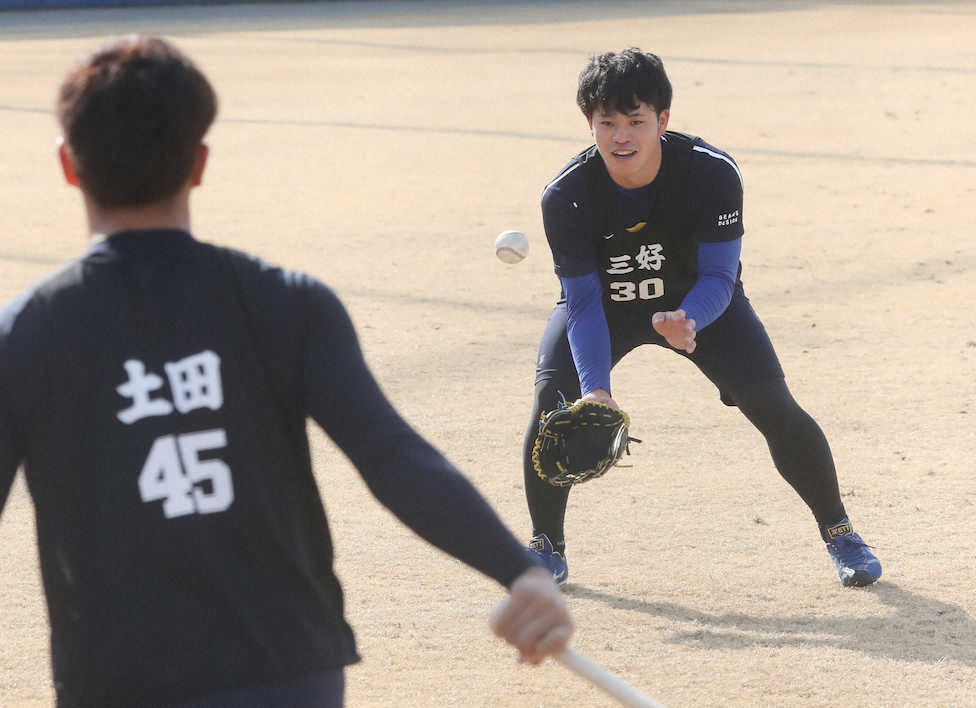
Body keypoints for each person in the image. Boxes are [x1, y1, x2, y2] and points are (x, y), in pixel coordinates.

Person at [0, 36, 572, 708]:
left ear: (69, 166)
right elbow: (393, 457)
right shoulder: (287, 304)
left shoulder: (28, 332)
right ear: (199, 164)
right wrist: (518, 571)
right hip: (288, 670)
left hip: (119, 683)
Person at [522, 48, 882, 589]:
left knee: (772, 404)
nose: (621, 136)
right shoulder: (566, 195)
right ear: (589, 124)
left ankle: (841, 533)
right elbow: (582, 302)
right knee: (553, 403)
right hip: (606, 308)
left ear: (662, 120)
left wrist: (687, 318)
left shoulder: (710, 172)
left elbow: (719, 276)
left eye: (636, 121)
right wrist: (596, 390)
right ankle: (546, 546)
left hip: (698, 301)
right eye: (607, 123)